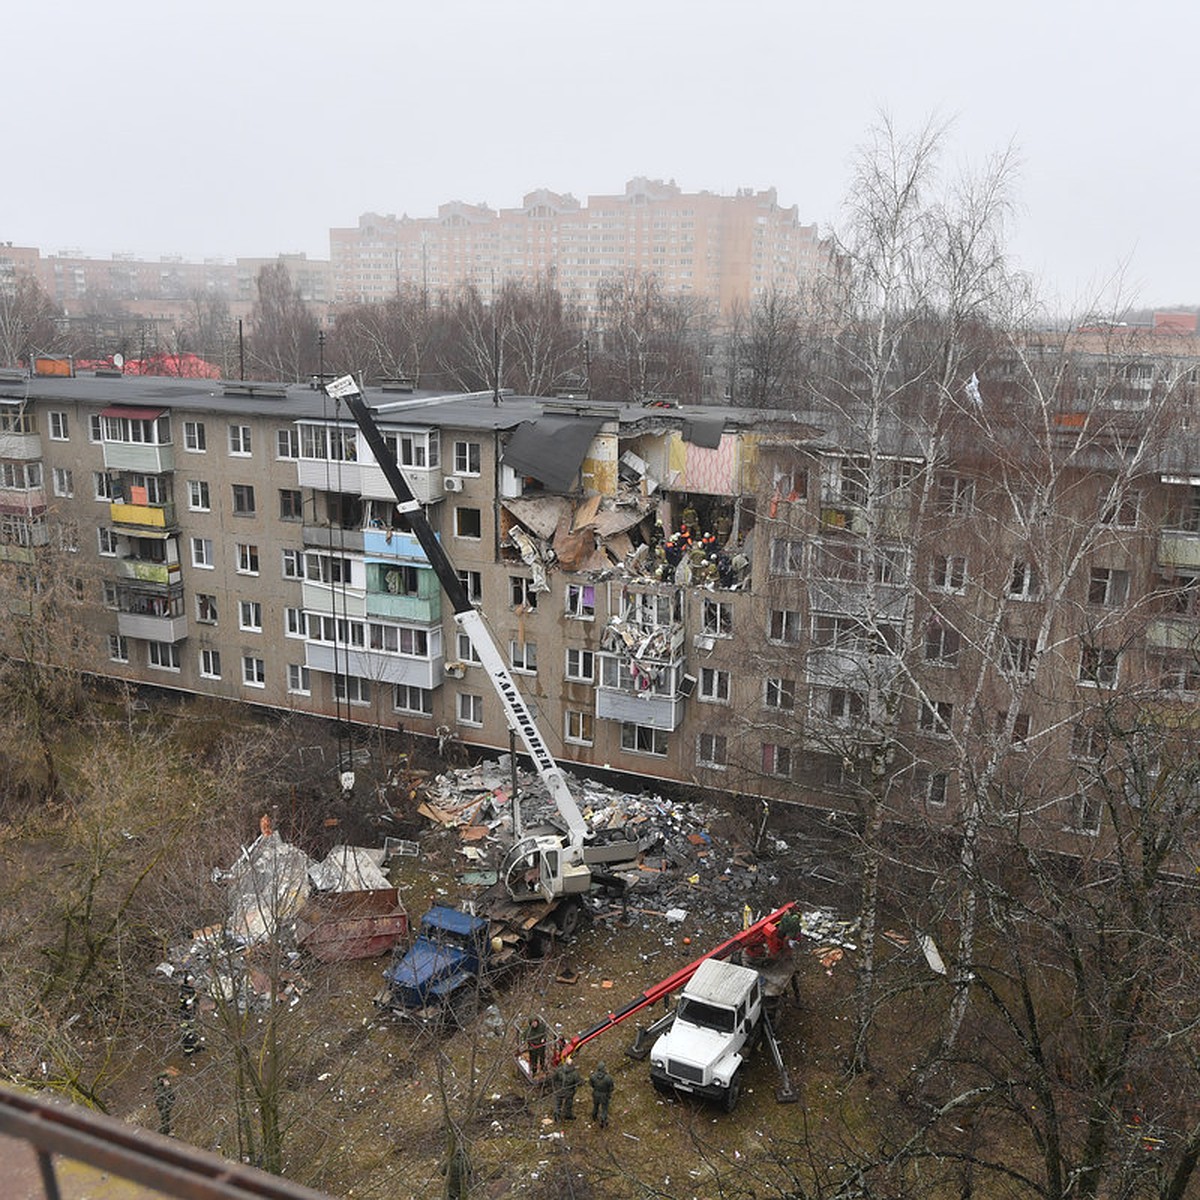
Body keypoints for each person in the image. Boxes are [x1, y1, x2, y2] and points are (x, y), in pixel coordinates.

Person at [589, 1061, 614, 1128]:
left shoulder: (593, 1076)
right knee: (604, 1108)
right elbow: (611, 1087)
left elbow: (591, 1084)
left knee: (595, 1106)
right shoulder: (608, 1078)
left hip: (596, 1093)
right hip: (604, 1095)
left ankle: (594, 1116)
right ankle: (603, 1120)